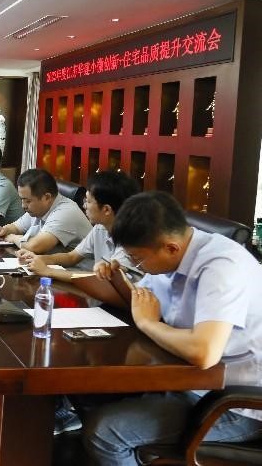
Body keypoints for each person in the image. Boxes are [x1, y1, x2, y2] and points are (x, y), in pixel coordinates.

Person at [80, 191, 262, 465]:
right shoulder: (174, 257)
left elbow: (204, 352)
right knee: (90, 395)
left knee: (105, 432)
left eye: (138, 259)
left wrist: (148, 324)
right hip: (191, 382)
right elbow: (140, 304)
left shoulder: (222, 267)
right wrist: (115, 279)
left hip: (237, 404)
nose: (137, 266)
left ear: (171, 248)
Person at [17, 170, 139, 284]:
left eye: (88, 201)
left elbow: (102, 281)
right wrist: (40, 259)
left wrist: (48, 271)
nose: (84, 206)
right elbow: (72, 257)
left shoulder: (130, 242)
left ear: (106, 209)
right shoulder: (100, 228)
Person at [0, 168, 91, 254]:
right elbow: (16, 227)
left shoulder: (65, 213)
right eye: (22, 199)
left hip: (79, 270)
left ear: (47, 197)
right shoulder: (37, 209)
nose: (23, 206)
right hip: (53, 265)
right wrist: (3, 230)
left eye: (28, 201)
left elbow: (35, 247)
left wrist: (12, 237)